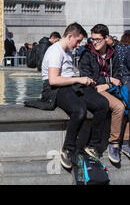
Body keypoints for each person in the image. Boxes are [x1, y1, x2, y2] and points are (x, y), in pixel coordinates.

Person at [40, 22, 109, 170]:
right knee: (79, 110)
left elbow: (68, 75)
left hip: (70, 86)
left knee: (102, 104)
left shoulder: (68, 51)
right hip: (55, 89)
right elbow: (53, 80)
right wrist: (78, 79)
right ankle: (67, 149)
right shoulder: (55, 52)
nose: (79, 45)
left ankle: (93, 145)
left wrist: (84, 82)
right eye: (78, 41)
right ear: (70, 36)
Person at [78, 24, 125, 164]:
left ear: (106, 38)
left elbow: (119, 76)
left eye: (98, 39)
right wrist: (108, 80)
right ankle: (114, 143)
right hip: (94, 90)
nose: (95, 42)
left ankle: (126, 141)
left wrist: (107, 84)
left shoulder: (113, 53)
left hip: (107, 89)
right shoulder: (87, 54)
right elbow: (86, 76)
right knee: (119, 107)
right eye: (93, 39)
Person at [114, 32, 130, 158]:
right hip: (127, 81)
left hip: (119, 81)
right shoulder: (129, 49)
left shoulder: (117, 47)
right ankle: (124, 141)